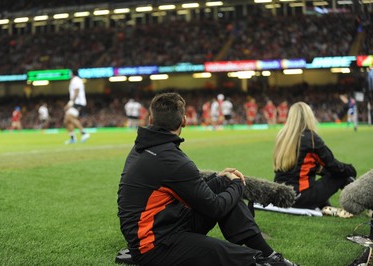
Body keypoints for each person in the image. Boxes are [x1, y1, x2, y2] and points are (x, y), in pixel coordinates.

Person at [118, 92, 296, 266]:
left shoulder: (143, 146)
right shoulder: (172, 159)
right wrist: (237, 185)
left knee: (223, 183)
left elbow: (192, 189)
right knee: (235, 256)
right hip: (154, 246)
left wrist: (222, 180)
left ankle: (268, 254)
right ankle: (264, 259)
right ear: (184, 121)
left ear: (150, 119)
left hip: (166, 225)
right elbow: (215, 208)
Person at [273, 102, 357, 211]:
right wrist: (351, 169)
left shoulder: (282, 136)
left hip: (281, 197)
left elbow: (311, 167)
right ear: (309, 116)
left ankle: (325, 205)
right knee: (342, 174)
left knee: (325, 172)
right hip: (300, 198)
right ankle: (367, 204)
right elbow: (333, 166)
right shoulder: (311, 138)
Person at [64, 69, 90, 144]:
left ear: (72, 73)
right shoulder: (76, 80)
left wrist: (70, 103)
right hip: (77, 102)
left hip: (78, 102)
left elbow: (76, 91)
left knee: (69, 117)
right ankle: (72, 138)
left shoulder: (75, 80)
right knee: (66, 120)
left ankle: (84, 133)